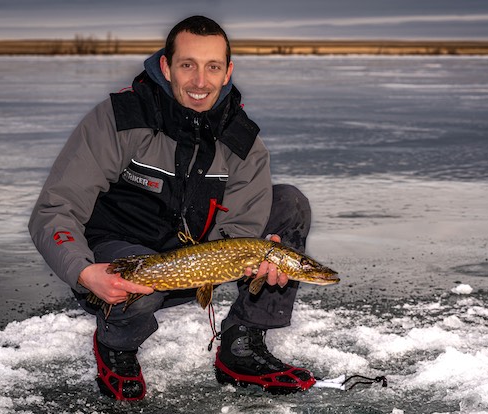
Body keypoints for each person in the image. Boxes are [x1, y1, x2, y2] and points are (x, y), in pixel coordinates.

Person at [29, 15, 315, 401]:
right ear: (166, 66)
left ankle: (242, 345)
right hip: (117, 258)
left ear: (227, 70)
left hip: (196, 263)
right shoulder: (120, 120)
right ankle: (117, 346)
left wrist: (258, 259)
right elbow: (55, 209)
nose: (200, 82)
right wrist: (83, 272)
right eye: (187, 65)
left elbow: (240, 232)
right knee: (141, 286)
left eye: (212, 67)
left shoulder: (242, 142)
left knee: (289, 204)